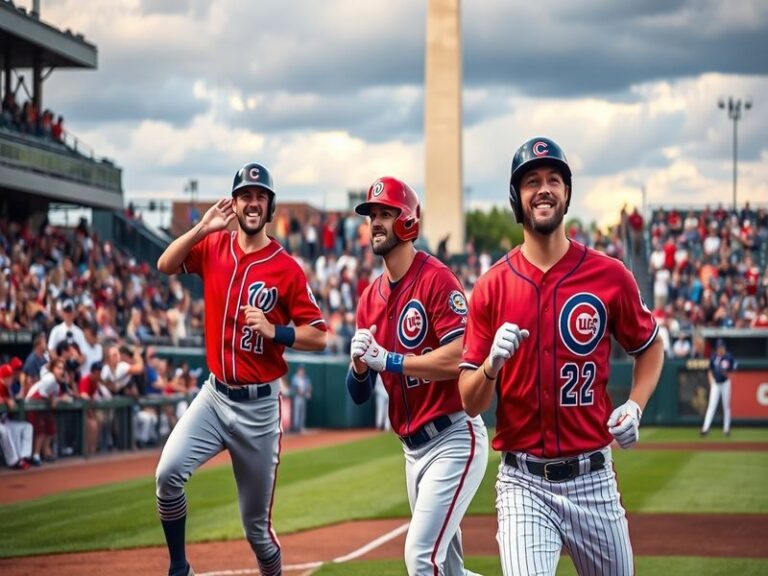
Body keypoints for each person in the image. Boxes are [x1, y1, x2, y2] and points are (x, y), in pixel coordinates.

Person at [458, 137, 664, 576]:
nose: (544, 189)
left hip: (594, 479)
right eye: (532, 181)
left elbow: (650, 347)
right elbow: (469, 402)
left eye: (554, 179)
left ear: (567, 193)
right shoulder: (492, 285)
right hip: (524, 482)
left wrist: (636, 404)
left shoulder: (610, 275)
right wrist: (490, 366)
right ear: (518, 197)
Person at [155, 161, 328, 576]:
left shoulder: (286, 268)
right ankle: (180, 568)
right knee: (167, 476)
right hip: (214, 397)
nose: (253, 203)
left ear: (270, 208)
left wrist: (276, 330)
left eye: (260, 197)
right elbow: (165, 264)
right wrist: (202, 228)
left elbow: (319, 335)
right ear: (234, 204)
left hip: (258, 410)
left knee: (257, 533)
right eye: (245, 196)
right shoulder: (214, 248)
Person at [346, 176, 488, 576]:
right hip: (412, 450)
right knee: (450, 570)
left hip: (454, 436)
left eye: (385, 213)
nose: (375, 222)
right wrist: (359, 367)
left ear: (408, 222)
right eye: (371, 214)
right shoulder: (368, 299)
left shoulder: (436, 278)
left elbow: (463, 354)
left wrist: (390, 360)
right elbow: (358, 395)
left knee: (421, 557)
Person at [0, 364, 34, 470]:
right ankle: (13, 461)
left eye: (11, 377)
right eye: (9, 377)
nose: (11, 379)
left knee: (27, 427)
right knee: (4, 431)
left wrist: (24, 386)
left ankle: (24, 457)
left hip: (5, 421)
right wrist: (5, 400)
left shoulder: (6, 389)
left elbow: (14, 401)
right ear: (3, 378)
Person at [701, 338, 736, 436]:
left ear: (724, 347)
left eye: (721, 347)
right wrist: (711, 380)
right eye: (718, 347)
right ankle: (705, 429)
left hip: (725, 383)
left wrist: (729, 375)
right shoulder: (714, 357)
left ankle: (726, 429)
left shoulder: (728, 357)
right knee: (712, 406)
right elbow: (710, 370)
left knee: (726, 406)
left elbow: (733, 369)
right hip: (716, 383)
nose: (719, 349)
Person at [289, 364, 312, 433]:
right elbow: (295, 387)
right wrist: (303, 392)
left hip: (303, 397)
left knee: (302, 413)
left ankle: (301, 427)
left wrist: (308, 392)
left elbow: (309, 386)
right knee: (296, 412)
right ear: (298, 370)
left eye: (302, 370)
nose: (302, 371)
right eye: (300, 370)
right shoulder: (295, 377)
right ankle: (296, 428)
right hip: (297, 397)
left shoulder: (305, 378)